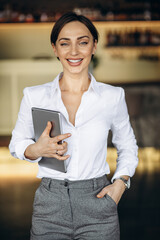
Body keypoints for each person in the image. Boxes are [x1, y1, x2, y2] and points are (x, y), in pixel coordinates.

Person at [9, 12, 138, 240]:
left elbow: (128, 146)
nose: (74, 51)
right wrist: (36, 150)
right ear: (55, 49)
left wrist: (120, 184)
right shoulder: (34, 96)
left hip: (99, 203)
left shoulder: (112, 96)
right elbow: (17, 144)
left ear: (94, 46)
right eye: (64, 43)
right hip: (50, 205)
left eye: (83, 42)